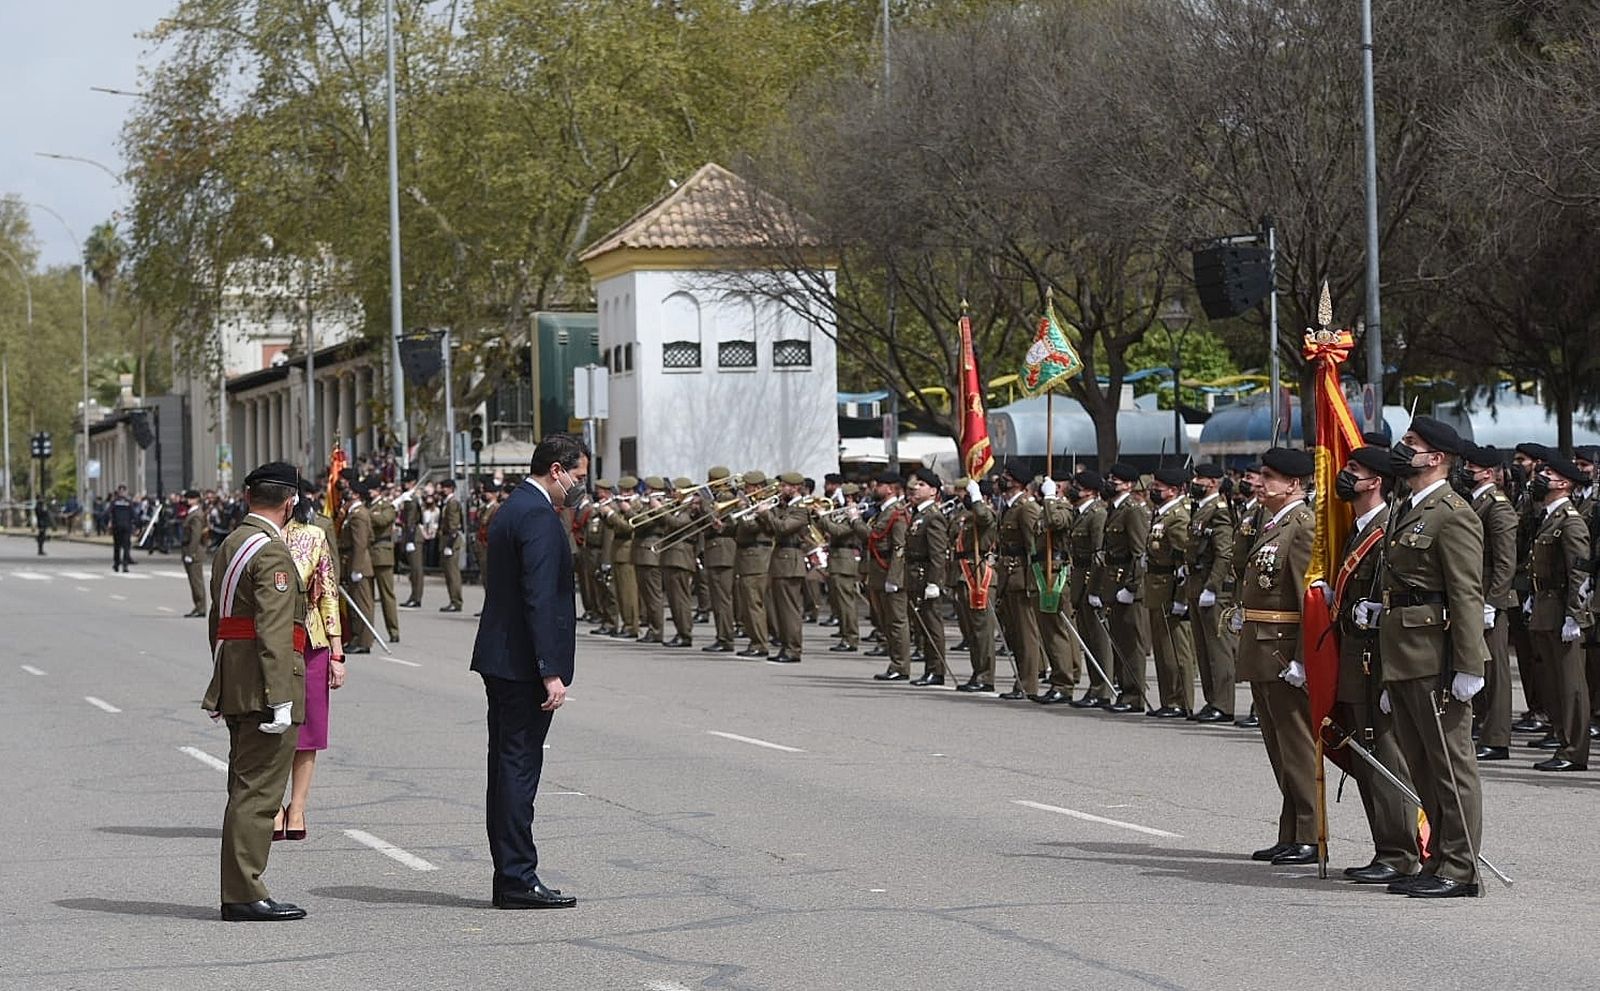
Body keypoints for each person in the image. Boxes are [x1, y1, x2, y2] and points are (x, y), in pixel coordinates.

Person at [1359, 415, 1489, 897]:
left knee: (1450, 767)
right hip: (1404, 654)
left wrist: (1469, 665)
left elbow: (1466, 594)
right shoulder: (1407, 507)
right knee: (1421, 764)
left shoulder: (1452, 513)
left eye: (1410, 443)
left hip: (1435, 657)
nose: (1401, 448)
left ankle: (1461, 868)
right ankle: (1436, 860)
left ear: (1436, 457)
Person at [469, 434, 586, 910]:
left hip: (503, 658)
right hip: (521, 665)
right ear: (556, 470)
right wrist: (549, 669)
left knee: (506, 768)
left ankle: (510, 875)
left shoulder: (513, 506)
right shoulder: (537, 515)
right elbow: (538, 597)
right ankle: (517, 877)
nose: (579, 485)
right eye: (577, 476)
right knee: (518, 770)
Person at [201, 461, 308, 922]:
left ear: (249, 497)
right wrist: (281, 697)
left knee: (244, 786)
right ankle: (245, 892)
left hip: (239, 680)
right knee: (259, 792)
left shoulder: (231, 543)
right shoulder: (272, 552)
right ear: (291, 503)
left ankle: (239, 889)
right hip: (267, 686)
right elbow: (274, 631)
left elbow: (219, 621)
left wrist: (224, 678)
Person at [1329, 446, 1421, 885]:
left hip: (1376, 662)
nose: (1345, 475)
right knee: (1365, 758)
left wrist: (1389, 676)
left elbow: (1392, 602)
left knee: (1385, 756)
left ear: (1376, 481)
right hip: (1354, 659)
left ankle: (1401, 853)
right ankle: (1385, 847)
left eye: (1354, 470)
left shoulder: (1385, 531)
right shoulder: (1356, 530)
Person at [1235, 446, 1318, 866]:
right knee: (1279, 748)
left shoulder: (1302, 526)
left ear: (1293, 484)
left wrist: (1303, 658)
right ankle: (1291, 832)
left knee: (1297, 747)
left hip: (1283, 651)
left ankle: (1310, 833)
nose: (1260, 482)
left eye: (1269, 477)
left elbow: (1307, 600)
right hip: (1262, 647)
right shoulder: (1272, 522)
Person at [272, 484, 346, 844]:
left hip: (312, 640)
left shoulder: (314, 536)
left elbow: (328, 593)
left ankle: (297, 808)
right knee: (271, 727)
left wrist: (337, 652)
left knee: (308, 731)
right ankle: (273, 807)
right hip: (268, 642)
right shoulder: (257, 536)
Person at [1525, 452, 1592, 771]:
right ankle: (1562, 739)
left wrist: (1574, 616)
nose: (1542, 478)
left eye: (1549, 475)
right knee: (1553, 683)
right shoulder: (1551, 517)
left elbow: (1579, 572)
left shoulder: (1571, 521)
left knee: (1570, 686)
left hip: (1563, 612)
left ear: (1564, 483)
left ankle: (1574, 751)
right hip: (1546, 608)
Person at [1184, 464, 1236, 722]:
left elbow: (1224, 553)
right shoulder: (1202, 508)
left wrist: (1212, 587)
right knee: (1203, 649)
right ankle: (1211, 700)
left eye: (1200, 478)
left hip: (1212, 587)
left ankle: (1223, 704)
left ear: (1213, 482)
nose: (1195, 482)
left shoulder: (1219, 511)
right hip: (1197, 583)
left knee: (1218, 649)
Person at [340, 482, 376, 654]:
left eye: (350, 491)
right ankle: (356, 637)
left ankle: (364, 641)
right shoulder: (353, 512)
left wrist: (357, 568)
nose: (346, 493)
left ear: (356, 495)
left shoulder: (359, 514)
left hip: (359, 563)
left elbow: (360, 544)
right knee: (355, 604)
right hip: (353, 561)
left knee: (362, 604)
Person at [439, 478, 465, 612]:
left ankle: (456, 601)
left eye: (445, 487)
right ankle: (453, 600)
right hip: (446, 539)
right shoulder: (447, 502)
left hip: (451, 541)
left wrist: (449, 544)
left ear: (450, 489)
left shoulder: (452, 503)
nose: (442, 490)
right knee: (448, 573)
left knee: (452, 573)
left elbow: (453, 524)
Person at [182, 489, 208, 616]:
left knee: (196, 581)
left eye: (190, 498)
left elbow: (196, 536)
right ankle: (198, 606)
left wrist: (190, 553)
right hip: (192, 550)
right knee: (193, 581)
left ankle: (201, 607)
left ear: (197, 499)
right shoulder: (193, 513)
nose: (188, 500)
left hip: (194, 552)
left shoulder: (196, 515)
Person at [109, 484, 135, 572]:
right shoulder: (129, 502)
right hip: (126, 527)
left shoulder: (114, 502)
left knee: (117, 546)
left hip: (117, 527)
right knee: (126, 546)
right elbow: (133, 514)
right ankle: (125, 565)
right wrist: (138, 524)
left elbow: (108, 512)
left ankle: (117, 564)